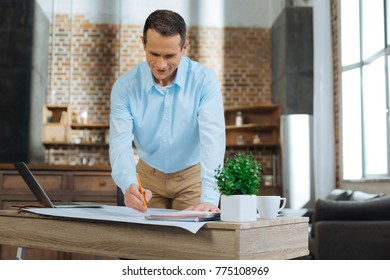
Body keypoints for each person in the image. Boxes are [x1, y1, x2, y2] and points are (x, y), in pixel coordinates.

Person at [109, 9, 225, 213]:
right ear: (143, 43)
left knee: (191, 242)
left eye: (170, 55)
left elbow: (213, 140)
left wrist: (209, 197)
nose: (161, 65)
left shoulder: (204, 80)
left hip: (192, 179)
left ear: (184, 47)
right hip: (146, 180)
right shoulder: (125, 87)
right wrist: (128, 184)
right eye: (154, 54)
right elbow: (120, 145)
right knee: (148, 242)